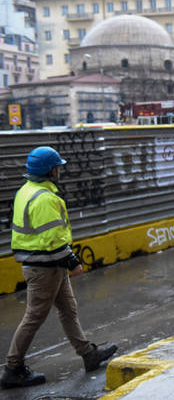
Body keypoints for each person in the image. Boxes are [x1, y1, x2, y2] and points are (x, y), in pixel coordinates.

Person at [1, 147, 117, 390]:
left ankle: (88, 354)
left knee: (68, 309)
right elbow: (52, 240)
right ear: (50, 170)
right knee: (34, 317)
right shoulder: (44, 198)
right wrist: (73, 262)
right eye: (58, 167)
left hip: (46, 265)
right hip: (45, 267)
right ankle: (12, 368)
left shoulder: (27, 191)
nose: (60, 171)